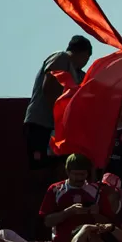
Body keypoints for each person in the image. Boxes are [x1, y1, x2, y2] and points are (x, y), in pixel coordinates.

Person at [24, 35, 92, 171]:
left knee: (59, 168)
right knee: (41, 168)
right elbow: (49, 86)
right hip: (42, 123)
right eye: (87, 58)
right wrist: (59, 118)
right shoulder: (61, 58)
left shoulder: (79, 74)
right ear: (84, 54)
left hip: (59, 128)